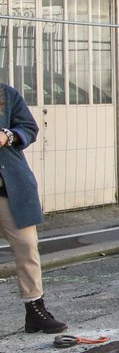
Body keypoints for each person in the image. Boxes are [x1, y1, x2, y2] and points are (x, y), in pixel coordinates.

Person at [0, 82, 67, 334]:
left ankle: (35, 310)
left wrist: (7, 135)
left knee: (27, 246)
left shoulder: (5, 94)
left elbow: (28, 127)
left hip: (10, 188)